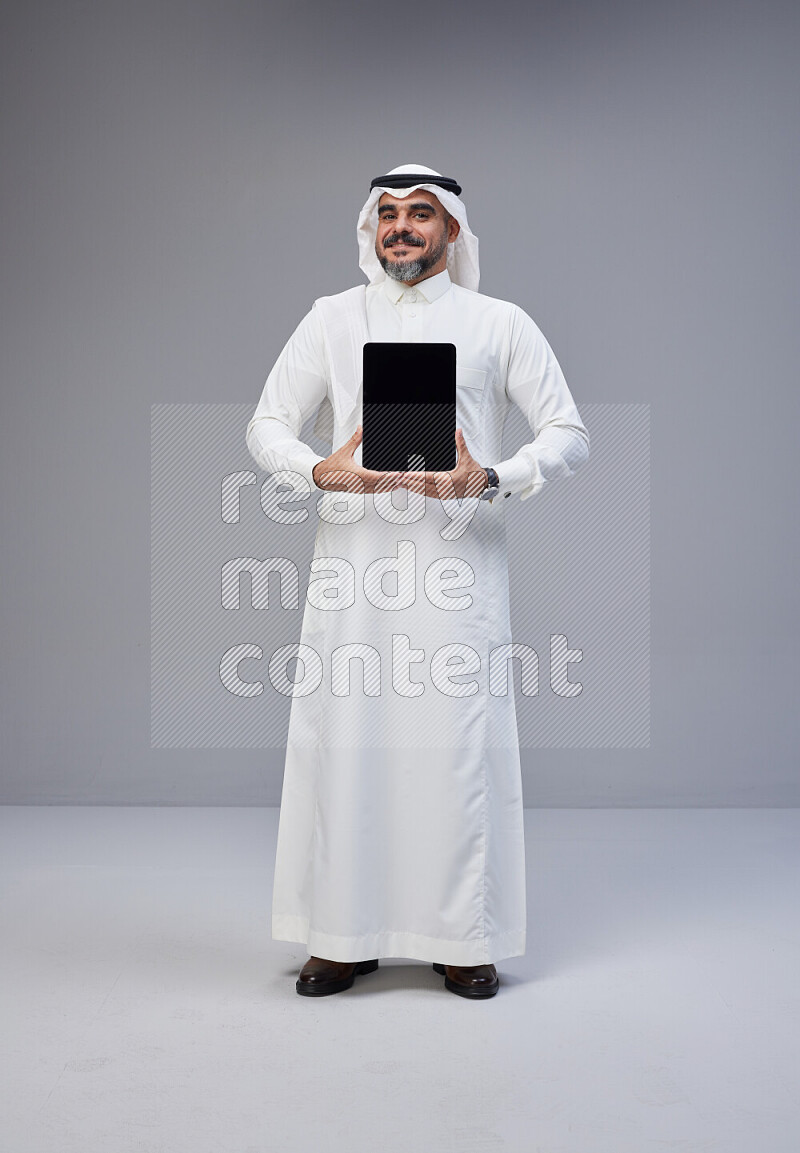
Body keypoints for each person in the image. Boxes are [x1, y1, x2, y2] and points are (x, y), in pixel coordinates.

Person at [245, 163, 589, 999]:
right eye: (388, 214)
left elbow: (569, 433)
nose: (401, 227)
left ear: (453, 231)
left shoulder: (498, 323)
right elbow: (265, 425)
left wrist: (492, 477)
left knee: (454, 751)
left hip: (456, 574)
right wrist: (321, 471)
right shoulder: (331, 320)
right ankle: (341, 935)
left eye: (420, 214)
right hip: (353, 573)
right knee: (349, 745)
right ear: (372, 228)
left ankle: (462, 937)